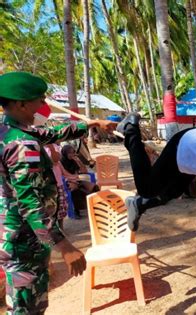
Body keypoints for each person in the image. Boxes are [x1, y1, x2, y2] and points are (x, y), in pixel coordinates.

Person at [0, 72, 116, 314]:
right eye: (39, 100)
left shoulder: (10, 132)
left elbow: (51, 134)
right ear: (20, 104)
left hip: (17, 237)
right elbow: (30, 203)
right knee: (26, 308)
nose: (43, 106)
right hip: (25, 243)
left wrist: (92, 124)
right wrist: (65, 246)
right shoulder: (22, 145)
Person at [60, 144, 100, 218]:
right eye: (70, 153)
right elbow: (62, 175)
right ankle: (76, 210)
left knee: (95, 187)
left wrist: (78, 161)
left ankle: (95, 207)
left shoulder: (73, 161)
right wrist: (72, 179)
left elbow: (83, 171)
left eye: (73, 152)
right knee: (75, 190)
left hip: (76, 180)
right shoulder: (61, 162)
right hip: (67, 181)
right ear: (65, 153)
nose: (72, 154)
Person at [44, 144, 68, 231]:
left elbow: (55, 160)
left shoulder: (55, 147)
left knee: (61, 206)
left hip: (58, 183)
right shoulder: (36, 146)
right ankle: (52, 228)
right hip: (46, 184)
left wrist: (51, 148)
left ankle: (61, 228)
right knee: (49, 207)